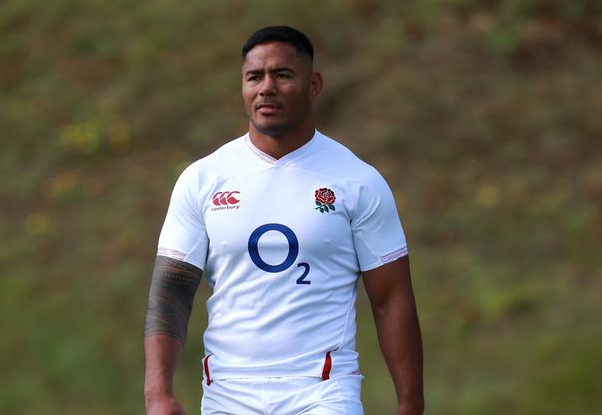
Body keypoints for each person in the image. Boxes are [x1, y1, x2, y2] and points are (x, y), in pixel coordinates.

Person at [144, 25, 424, 415]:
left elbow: (391, 299)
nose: (266, 88)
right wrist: (158, 394)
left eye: (283, 75)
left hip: (323, 391)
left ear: (314, 84)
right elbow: (171, 291)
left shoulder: (357, 180)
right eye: (254, 77)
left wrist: (410, 404)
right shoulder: (204, 179)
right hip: (228, 393)